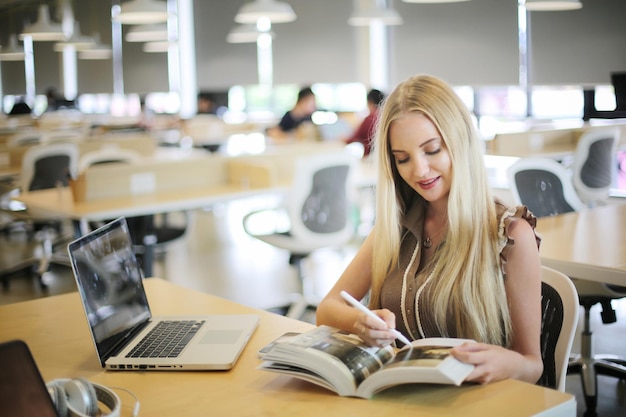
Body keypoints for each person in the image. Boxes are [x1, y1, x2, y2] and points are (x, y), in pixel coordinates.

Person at [316, 74, 544, 386]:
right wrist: (360, 322)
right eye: (403, 159)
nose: (419, 170)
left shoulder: (509, 234)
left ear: (458, 143)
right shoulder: (395, 227)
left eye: (432, 150)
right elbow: (327, 308)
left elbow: (532, 365)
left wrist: (507, 362)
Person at [345, 88, 384, 157]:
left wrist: (342, 139)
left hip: (370, 159)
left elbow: (354, 137)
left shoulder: (369, 118)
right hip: (383, 159)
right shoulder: (386, 117)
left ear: (369, 102)